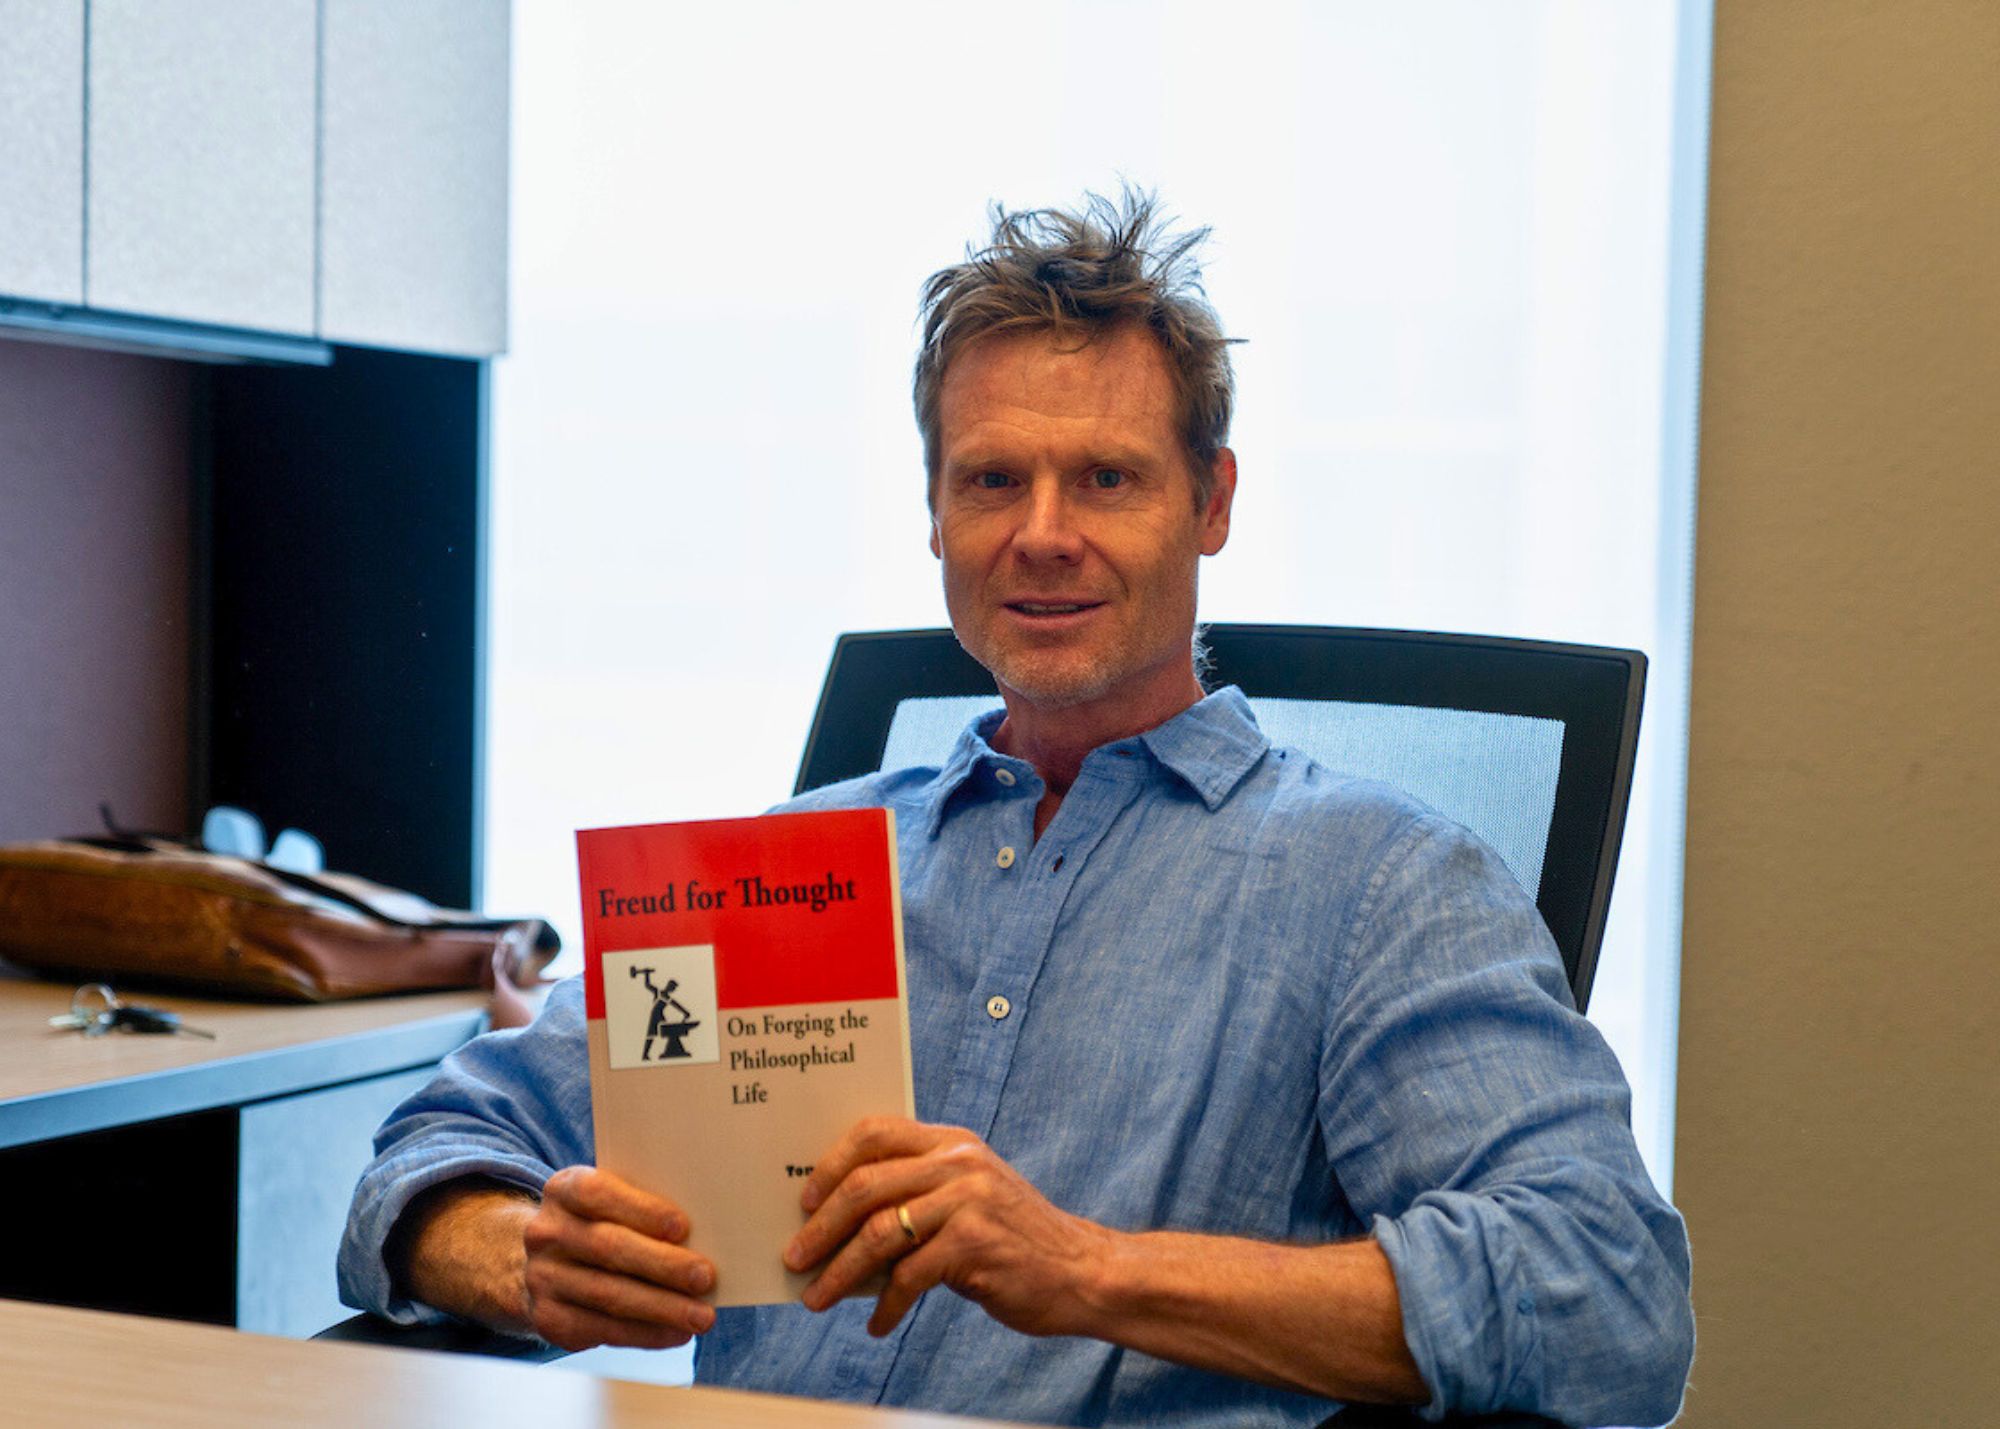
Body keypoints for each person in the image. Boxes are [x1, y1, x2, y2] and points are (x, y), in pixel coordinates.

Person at [340, 191, 1694, 1427]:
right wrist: (521, 1256)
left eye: (1107, 476)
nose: (1043, 532)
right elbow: (432, 1152)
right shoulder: (803, 869)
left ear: (1210, 503)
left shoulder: (1376, 882)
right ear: (935, 512)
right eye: (992, 479)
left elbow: (1611, 1294)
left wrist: (1089, 1270)